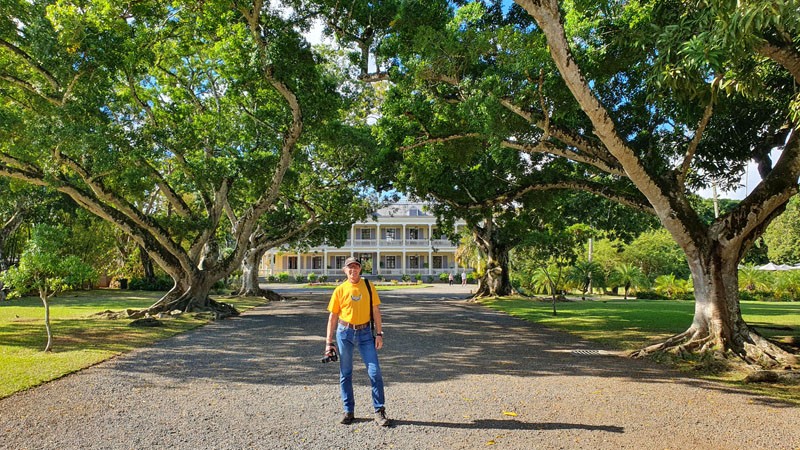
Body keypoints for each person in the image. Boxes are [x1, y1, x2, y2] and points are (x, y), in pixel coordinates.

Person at [324, 256, 390, 427]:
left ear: (360, 269)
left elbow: (376, 311)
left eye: (356, 267)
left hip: (365, 333)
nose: (353, 270)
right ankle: (348, 411)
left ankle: (379, 410)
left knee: (374, 372)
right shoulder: (340, 289)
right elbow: (333, 317)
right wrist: (328, 343)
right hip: (344, 333)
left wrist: (380, 333)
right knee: (345, 373)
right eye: (349, 267)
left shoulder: (368, 286)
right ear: (344, 270)